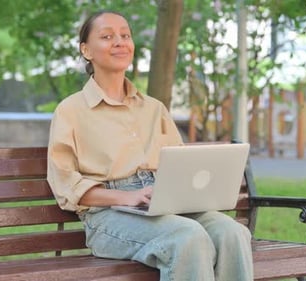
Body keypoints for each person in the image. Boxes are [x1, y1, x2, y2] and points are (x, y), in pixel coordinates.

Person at [47, 10, 253, 281]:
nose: (120, 42)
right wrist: (127, 197)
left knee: (232, 233)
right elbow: (65, 185)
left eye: (125, 35)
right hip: (108, 216)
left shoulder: (154, 108)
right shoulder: (70, 111)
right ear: (86, 50)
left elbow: (181, 166)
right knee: (186, 236)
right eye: (107, 36)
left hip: (163, 202)